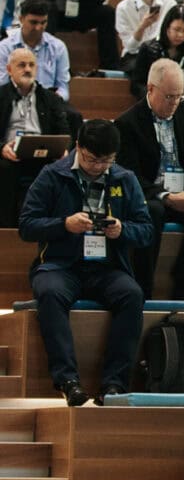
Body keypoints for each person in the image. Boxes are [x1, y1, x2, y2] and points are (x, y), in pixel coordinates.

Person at [18, 119, 151, 405]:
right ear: (78, 147)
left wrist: (122, 230)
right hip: (60, 265)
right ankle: (68, 381)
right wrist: (63, 224)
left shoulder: (124, 179)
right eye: (92, 159)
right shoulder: (52, 175)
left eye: (106, 161)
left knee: (132, 294)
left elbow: (146, 229)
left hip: (107, 268)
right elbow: (27, 225)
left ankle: (114, 385)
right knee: (50, 293)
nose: (98, 167)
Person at [115, 59, 184, 300]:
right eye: (169, 97)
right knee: (152, 212)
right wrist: (166, 197)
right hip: (150, 195)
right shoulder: (128, 123)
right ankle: (144, 288)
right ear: (150, 89)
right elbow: (129, 176)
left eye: (179, 96)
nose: (174, 103)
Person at [0, 48, 72, 227]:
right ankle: (6, 229)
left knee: (59, 170)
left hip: (43, 154)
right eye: (22, 65)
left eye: (31, 65)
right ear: (9, 69)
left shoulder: (49, 98)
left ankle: (48, 227)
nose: (27, 69)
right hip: (9, 156)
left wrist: (62, 148)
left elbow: (63, 130)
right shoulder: (1, 96)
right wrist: (2, 147)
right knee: (6, 169)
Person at [0, 0, 71, 101]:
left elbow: (63, 87)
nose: (38, 28)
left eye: (43, 23)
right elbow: (2, 84)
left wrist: (55, 98)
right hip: (14, 101)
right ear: (21, 19)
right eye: (33, 22)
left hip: (48, 102)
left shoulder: (58, 47)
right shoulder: (5, 47)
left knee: (73, 115)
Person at [130, 5, 184, 100]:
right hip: (152, 101)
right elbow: (136, 84)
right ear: (167, 28)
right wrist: (154, 96)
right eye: (176, 29)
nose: (180, 35)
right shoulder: (148, 49)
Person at [115, 0, 175, 69]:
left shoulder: (169, 4)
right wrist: (142, 27)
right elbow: (130, 47)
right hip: (134, 56)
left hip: (162, 55)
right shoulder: (123, 8)